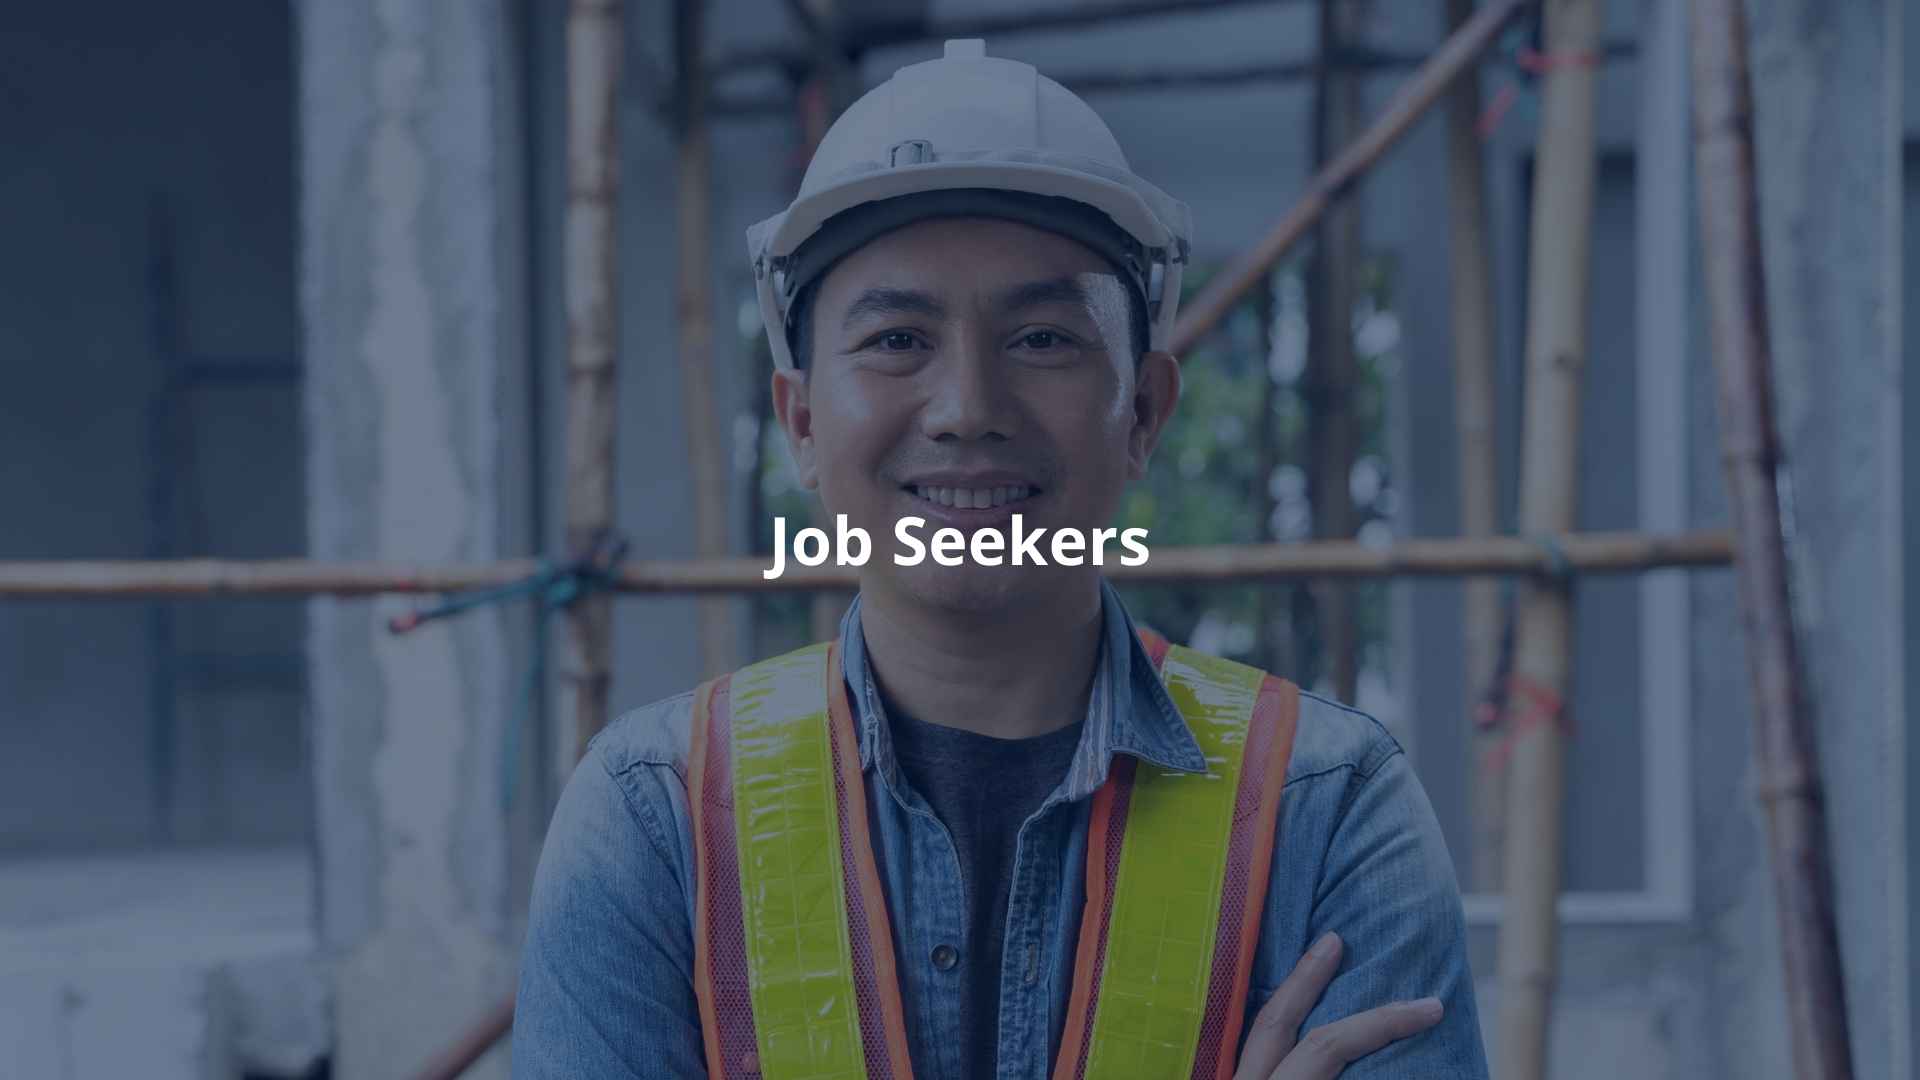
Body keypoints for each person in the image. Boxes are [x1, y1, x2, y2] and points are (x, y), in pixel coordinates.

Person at [514, 39, 1488, 1080]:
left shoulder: (1326, 810)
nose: (968, 409)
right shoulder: (657, 819)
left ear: (1144, 411)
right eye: (897, 340)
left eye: (1042, 340)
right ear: (800, 422)